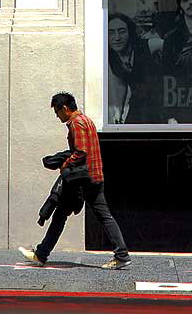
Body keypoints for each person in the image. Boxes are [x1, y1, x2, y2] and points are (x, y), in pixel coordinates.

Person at [18, 92, 131, 269]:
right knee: (102, 215)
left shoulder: (76, 123)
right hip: (94, 175)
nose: (57, 116)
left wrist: (64, 164)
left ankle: (41, 255)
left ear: (65, 108)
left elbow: (81, 152)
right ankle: (121, 255)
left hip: (82, 179)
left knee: (61, 215)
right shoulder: (86, 120)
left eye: (57, 111)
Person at [161, 0, 192, 123]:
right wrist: (170, 114)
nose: (191, 2)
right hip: (185, 104)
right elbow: (166, 76)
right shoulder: (171, 39)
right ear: (180, 7)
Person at [108, 13, 162, 124]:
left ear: (130, 32)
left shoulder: (149, 46)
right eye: (111, 32)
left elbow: (174, 47)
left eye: (122, 31)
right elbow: (121, 84)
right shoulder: (112, 56)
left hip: (161, 105)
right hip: (138, 105)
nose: (117, 38)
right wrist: (119, 111)